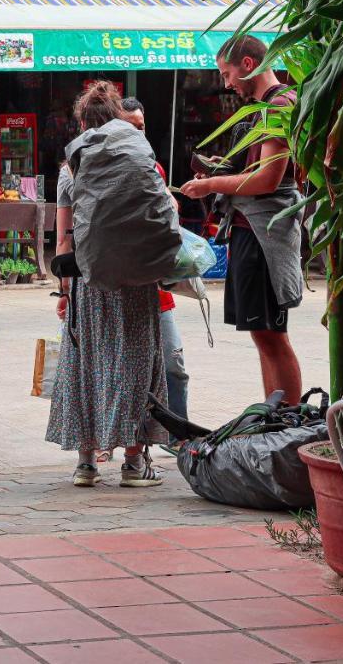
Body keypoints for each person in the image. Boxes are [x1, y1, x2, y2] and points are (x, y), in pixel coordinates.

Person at [47, 81, 168, 488]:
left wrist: (64, 293)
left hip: (89, 281)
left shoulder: (70, 170)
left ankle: (86, 464)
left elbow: (64, 240)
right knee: (135, 364)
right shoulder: (137, 159)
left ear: (82, 122)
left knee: (86, 365)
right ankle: (134, 465)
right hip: (135, 281)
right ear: (117, 119)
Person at [180, 36, 303, 405]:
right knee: (261, 333)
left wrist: (213, 185)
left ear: (248, 64)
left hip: (265, 231)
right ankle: (274, 417)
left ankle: (287, 420)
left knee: (271, 335)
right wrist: (216, 177)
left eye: (227, 73)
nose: (227, 83)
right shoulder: (261, 107)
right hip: (250, 227)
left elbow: (267, 179)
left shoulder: (280, 104)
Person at [121, 97, 189, 450]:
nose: (137, 133)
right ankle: (118, 443)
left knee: (173, 363)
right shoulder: (99, 167)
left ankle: (176, 437)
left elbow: (168, 213)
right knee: (123, 368)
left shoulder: (154, 168)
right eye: (130, 126)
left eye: (141, 127)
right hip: (119, 285)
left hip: (157, 287)